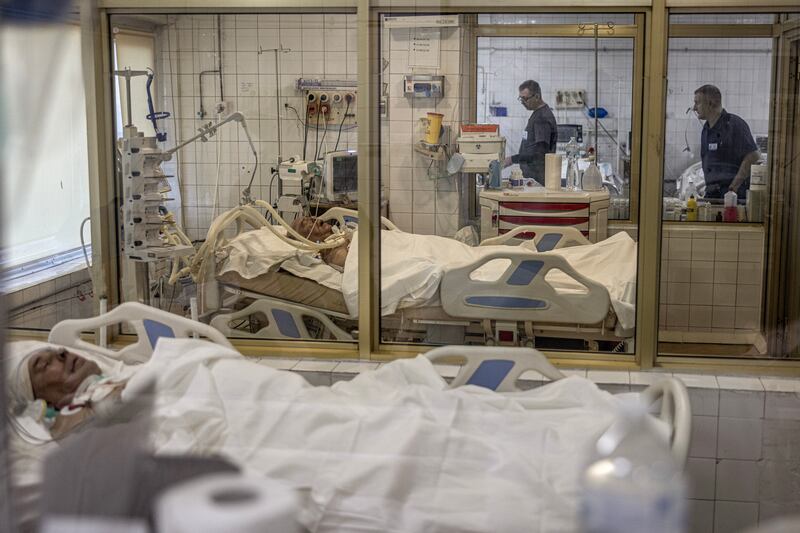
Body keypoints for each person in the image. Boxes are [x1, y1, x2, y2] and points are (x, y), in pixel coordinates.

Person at [693, 84, 760, 199]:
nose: (694, 108)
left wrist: (733, 187)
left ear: (710, 103)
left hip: (732, 195)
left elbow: (753, 156)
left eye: (697, 103)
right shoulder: (706, 129)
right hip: (712, 193)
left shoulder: (734, 124)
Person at [503, 80, 558, 185]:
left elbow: (539, 153)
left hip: (539, 178)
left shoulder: (542, 118)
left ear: (537, 97)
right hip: (534, 177)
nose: (523, 102)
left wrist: (512, 159)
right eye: (521, 99)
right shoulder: (538, 114)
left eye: (525, 98)